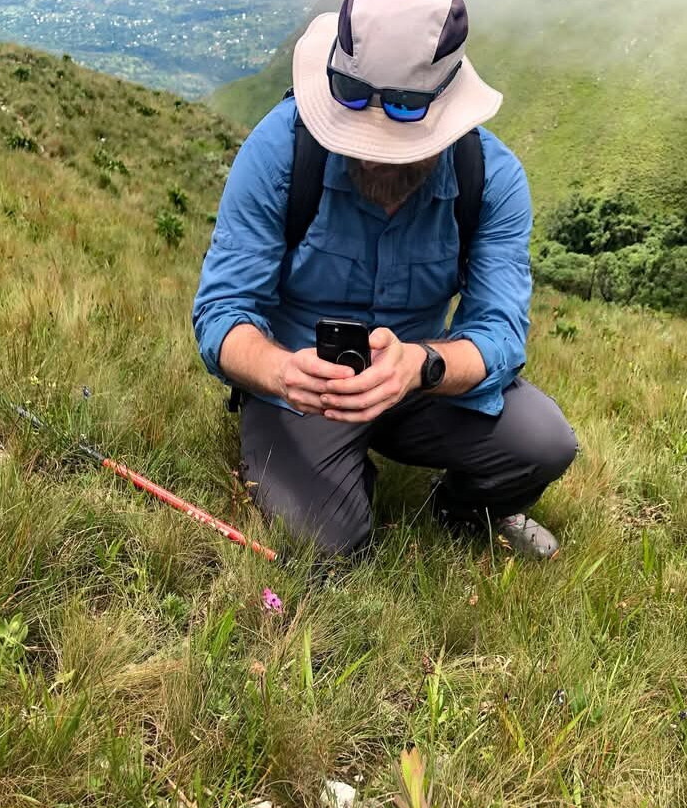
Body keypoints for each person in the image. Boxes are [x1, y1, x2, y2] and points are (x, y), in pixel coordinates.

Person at [193, 0, 579, 560]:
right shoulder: (280, 149)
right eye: (354, 136)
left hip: (420, 382)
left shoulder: (491, 179)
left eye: (402, 147)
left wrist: (421, 366)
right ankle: (330, 482)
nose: (373, 159)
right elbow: (222, 312)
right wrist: (281, 372)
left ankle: (466, 507)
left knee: (543, 442)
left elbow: (499, 332)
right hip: (301, 389)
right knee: (327, 544)